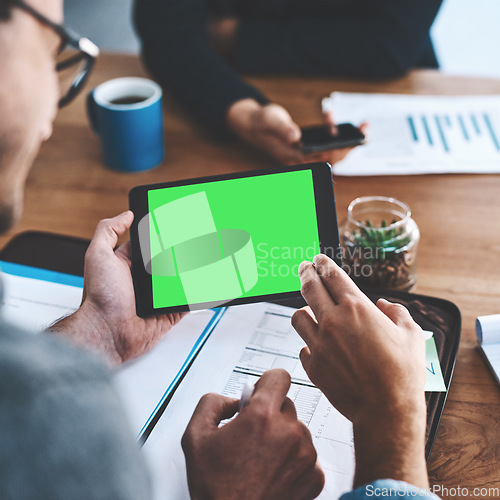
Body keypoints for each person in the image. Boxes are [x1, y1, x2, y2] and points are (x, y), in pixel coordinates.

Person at [0, 1, 440, 498]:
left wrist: (100, 333)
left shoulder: (29, 399)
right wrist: (392, 416)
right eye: (57, 48)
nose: (50, 116)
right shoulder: (65, 437)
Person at [134, 0, 442, 165]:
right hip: (219, 84)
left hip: (399, 92)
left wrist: (235, 36)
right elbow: (164, 28)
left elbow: (387, 46)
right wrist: (245, 115)